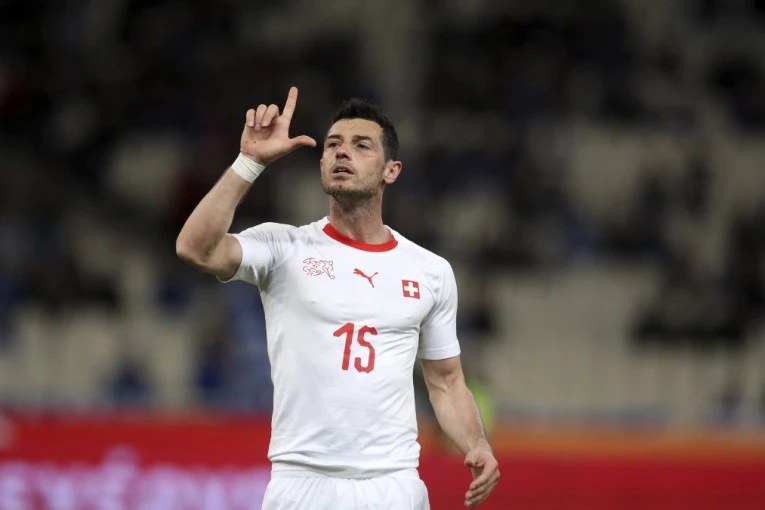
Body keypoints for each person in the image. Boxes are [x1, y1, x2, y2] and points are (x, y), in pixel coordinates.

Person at [176, 87, 499, 509]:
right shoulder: (284, 247)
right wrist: (249, 162)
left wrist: (478, 443)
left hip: (393, 484)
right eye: (333, 145)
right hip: (302, 482)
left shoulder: (430, 271)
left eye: (361, 145)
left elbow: (446, 382)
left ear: (391, 171)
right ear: (322, 164)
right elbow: (195, 249)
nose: (342, 152)